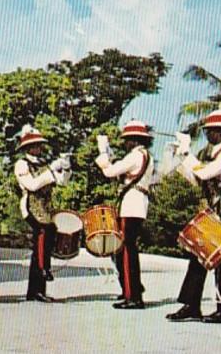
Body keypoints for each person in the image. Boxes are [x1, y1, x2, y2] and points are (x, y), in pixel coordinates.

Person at [166, 109, 221, 323]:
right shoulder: (216, 153)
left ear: (220, 132)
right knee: (198, 256)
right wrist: (181, 156)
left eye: (210, 130)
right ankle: (191, 304)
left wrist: (187, 153)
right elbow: (197, 178)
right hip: (213, 210)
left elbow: (204, 173)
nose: (207, 134)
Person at [95, 120, 154, 309]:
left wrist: (103, 152)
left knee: (127, 250)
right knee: (127, 249)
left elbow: (110, 172)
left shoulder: (136, 155)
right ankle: (132, 289)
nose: (125, 143)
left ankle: (133, 296)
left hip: (131, 205)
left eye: (127, 140)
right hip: (137, 204)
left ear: (134, 140)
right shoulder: (146, 155)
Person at [14, 125, 70, 303]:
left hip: (46, 207)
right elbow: (32, 185)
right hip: (31, 207)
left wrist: (66, 168)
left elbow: (61, 182)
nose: (38, 148)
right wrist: (51, 171)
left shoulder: (43, 163)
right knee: (41, 237)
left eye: (39, 145)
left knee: (46, 241)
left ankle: (37, 289)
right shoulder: (22, 164)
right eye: (34, 145)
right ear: (27, 148)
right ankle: (42, 271)